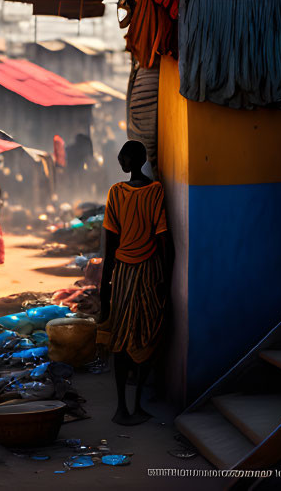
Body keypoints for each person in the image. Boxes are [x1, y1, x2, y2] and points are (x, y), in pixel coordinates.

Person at [97, 139, 170, 425]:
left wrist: (105, 288)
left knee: (121, 339)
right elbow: (163, 239)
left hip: (126, 273)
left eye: (123, 157)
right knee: (147, 334)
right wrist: (165, 276)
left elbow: (110, 245)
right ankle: (131, 405)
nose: (120, 161)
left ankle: (124, 407)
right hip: (148, 272)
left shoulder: (118, 193)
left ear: (133, 160)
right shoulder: (155, 191)